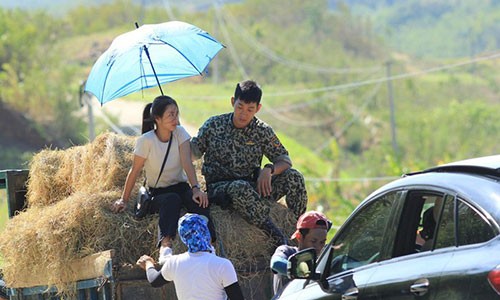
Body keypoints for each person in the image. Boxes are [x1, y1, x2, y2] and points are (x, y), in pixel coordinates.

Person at [190, 80, 308, 245]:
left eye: (250, 109)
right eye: (240, 107)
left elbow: (285, 160)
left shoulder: (262, 131)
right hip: (221, 190)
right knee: (239, 187)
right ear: (233, 102)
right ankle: (276, 236)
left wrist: (269, 169)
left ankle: (300, 230)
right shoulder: (214, 125)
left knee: (294, 177)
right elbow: (192, 153)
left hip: (252, 187)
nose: (243, 114)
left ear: (258, 109)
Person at [111, 95, 216, 253]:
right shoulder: (146, 141)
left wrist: (196, 188)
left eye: (176, 113)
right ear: (158, 119)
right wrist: (123, 200)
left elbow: (187, 163)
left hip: (181, 187)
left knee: (199, 201)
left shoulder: (180, 133)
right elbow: (134, 171)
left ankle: (211, 245)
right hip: (158, 193)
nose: (175, 118)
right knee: (171, 200)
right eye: (170, 115)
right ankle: (165, 248)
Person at [136, 213, 245, 300]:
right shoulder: (223, 265)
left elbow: (154, 281)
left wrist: (148, 263)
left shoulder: (174, 263)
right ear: (205, 232)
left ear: (184, 238)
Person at [270, 211, 331, 295]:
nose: (318, 247)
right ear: (299, 237)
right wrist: (300, 271)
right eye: (313, 241)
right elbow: (276, 263)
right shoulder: (287, 251)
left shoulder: (322, 259)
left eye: (322, 242)